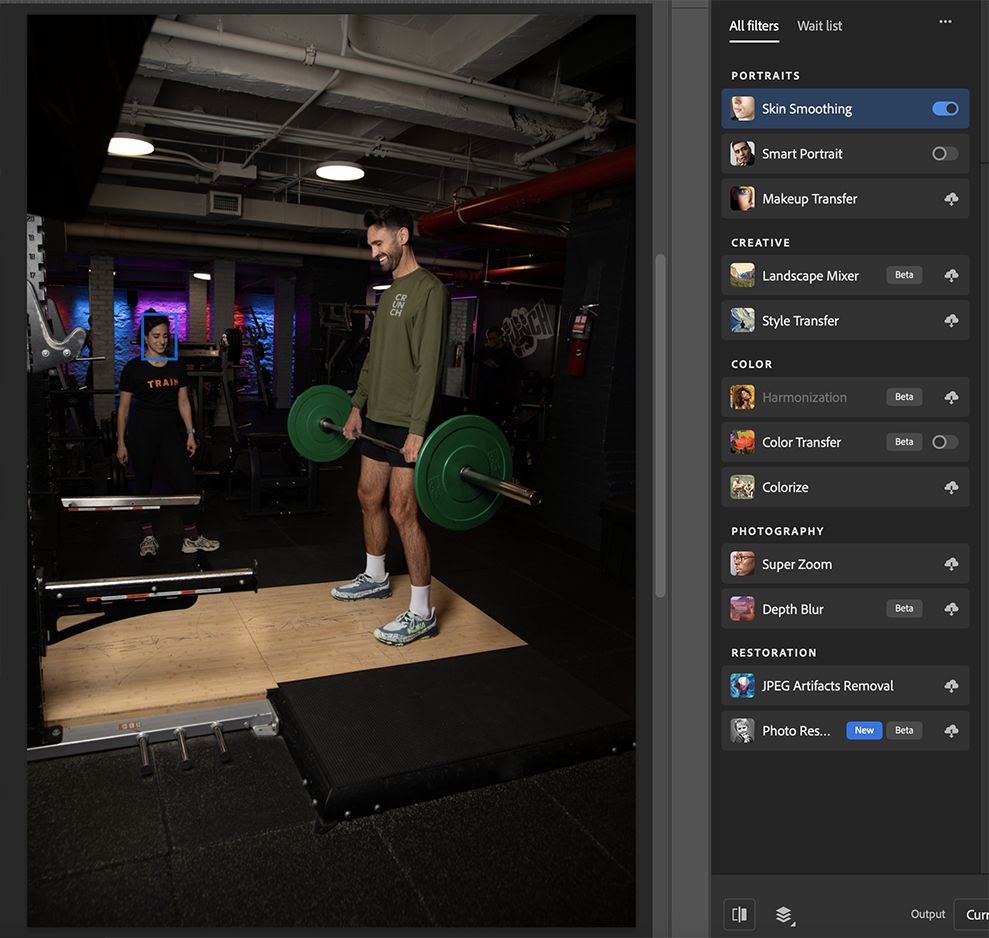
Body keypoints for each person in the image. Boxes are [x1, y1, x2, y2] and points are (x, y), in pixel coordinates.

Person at [332, 205, 450, 645]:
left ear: (402, 236)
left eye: (379, 243)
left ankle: (421, 613)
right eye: (371, 245)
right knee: (368, 496)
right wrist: (357, 405)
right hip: (377, 417)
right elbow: (374, 358)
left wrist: (418, 427)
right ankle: (376, 576)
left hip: (405, 422)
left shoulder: (429, 290)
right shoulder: (389, 292)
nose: (374, 252)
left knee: (403, 511)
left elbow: (429, 366)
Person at [116, 313, 219, 557]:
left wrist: (191, 433)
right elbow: (123, 408)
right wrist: (121, 442)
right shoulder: (133, 368)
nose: (161, 341)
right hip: (142, 433)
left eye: (165, 336)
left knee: (187, 482)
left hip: (169, 433)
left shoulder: (177, 366)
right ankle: (147, 537)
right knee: (144, 485)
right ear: (145, 338)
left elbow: (183, 402)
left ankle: (191, 538)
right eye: (156, 336)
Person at [472, 325, 515, 422]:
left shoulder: (507, 352)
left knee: (492, 414)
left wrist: (496, 366)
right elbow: (474, 359)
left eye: (494, 338)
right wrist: (484, 347)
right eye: (490, 339)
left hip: (496, 388)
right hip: (484, 386)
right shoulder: (488, 349)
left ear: (500, 337)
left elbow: (511, 370)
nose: (492, 341)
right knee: (479, 412)